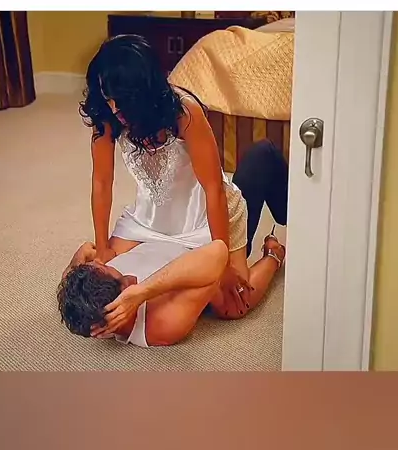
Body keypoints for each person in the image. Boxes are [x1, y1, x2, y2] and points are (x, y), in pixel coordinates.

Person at [80, 34, 288, 319]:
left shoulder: (183, 111)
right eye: (109, 99)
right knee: (106, 284)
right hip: (150, 219)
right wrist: (102, 246)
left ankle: (274, 255)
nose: (115, 109)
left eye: (122, 100)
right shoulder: (107, 116)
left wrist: (222, 260)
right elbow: (101, 183)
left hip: (204, 214)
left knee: (231, 304)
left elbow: (213, 188)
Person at [57, 228, 285, 348]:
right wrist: (144, 291)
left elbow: (71, 279)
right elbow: (218, 251)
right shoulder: (163, 324)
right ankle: (275, 254)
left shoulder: (90, 307)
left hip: (161, 229)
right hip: (204, 235)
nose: (102, 262)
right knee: (235, 302)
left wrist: (76, 261)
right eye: (122, 277)